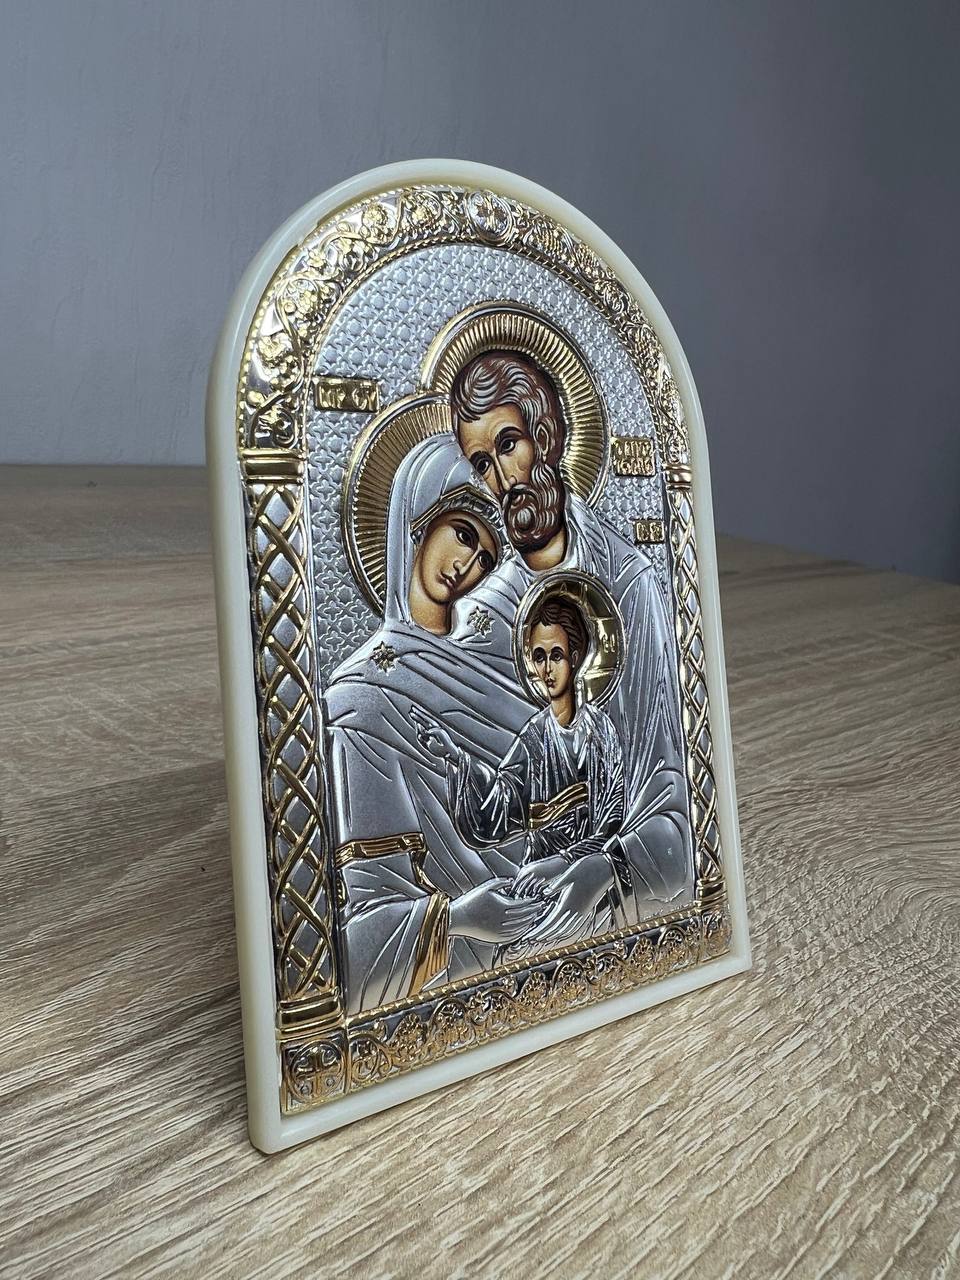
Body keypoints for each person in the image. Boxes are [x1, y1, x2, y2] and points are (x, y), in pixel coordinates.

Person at [447, 351, 693, 909]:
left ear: (545, 436)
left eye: (509, 444)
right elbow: (499, 806)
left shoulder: (629, 583)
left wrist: (604, 865)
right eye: (482, 464)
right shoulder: (481, 612)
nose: (504, 479)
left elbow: (665, 790)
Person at [324, 433, 543, 1013]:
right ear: (419, 520)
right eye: (463, 534)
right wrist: (460, 918)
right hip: (452, 982)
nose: (468, 566)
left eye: (488, 558)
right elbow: (356, 937)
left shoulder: (501, 673)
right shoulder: (359, 702)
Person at [414, 595, 633, 956]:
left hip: (589, 883)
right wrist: (455, 756)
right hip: (537, 886)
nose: (547, 669)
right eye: (539, 656)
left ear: (576, 657)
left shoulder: (601, 732)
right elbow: (498, 805)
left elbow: (612, 823)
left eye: (556, 655)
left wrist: (563, 861)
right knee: (517, 953)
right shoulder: (533, 738)